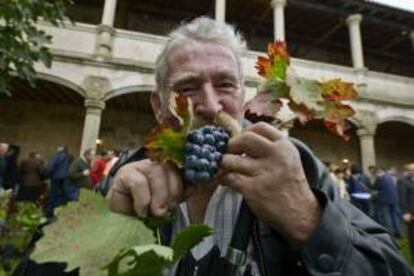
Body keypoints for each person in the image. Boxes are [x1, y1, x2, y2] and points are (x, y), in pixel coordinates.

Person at [106, 17, 412, 275]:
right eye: (187, 88)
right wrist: (107, 228)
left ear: (243, 97)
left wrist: (308, 219)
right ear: (159, 107)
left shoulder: (298, 168)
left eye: (225, 84)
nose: (211, 106)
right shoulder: (126, 178)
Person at [371, 167, 402, 237]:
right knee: (395, 217)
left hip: (384, 200)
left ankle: (390, 233)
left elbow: (373, 187)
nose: (374, 175)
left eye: (374, 174)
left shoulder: (380, 178)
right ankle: (399, 232)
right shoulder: (389, 177)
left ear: (377, 173)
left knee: (387, 217)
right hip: (394, 199)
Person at [44, 146, 73, 218]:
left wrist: (46, 175)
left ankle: (49, 212)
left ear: (59, 150)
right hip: (66, 178)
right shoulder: (70, 157)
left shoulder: (55, 156)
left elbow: (50, 167)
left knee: (53, 194)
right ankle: (63, 211)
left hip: (55, 178)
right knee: (65, 194)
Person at [398, 163, 414, 258]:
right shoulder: (402, 181)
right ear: (408, 171)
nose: (413, 171)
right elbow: (402, 198)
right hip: (411, 212)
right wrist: (405, 212)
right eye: (411, 170)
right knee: (412, 234)